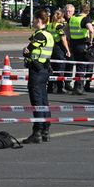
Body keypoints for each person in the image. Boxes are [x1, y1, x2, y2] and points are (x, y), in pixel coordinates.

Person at [22, 9, 54, 144]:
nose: (33, 21)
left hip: (36, 70)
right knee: (43, 100)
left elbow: (28, 51)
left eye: (34, 19)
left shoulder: (40, 35)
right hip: (44, 69)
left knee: (37, 102)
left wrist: (25, 52)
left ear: (39, 20)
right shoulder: (49, 35)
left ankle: (37, 132)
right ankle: (45, 130)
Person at [68, 4, 94, 95]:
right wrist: (91, 41)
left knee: (78, 66)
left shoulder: (73, 18)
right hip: (82, 44)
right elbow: (91, 30)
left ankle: (77, 86)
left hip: (73, 44)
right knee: (82, 67)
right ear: (87, 12)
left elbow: (66, 30)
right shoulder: (85, 19)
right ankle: (79, 88)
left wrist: (69, 39)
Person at [46, 9, 71, 94]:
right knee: (60, 67)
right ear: (60, 18)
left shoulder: (48, 26)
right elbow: (63, 40)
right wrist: (68, 50)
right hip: (58, 48)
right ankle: (60, 88)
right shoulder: (59, 27)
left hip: (50, 47)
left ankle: (50, 87)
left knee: (51, 67)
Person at [63, 4, 76, 92]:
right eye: (66, 11)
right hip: (61, 44)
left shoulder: (75, 20)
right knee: (60, 65)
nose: (68, 13)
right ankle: (58, 83)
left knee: (70, 65)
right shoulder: (60, 19)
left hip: (71, 44)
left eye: (70, 11)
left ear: (73, 12)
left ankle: (67, 83)